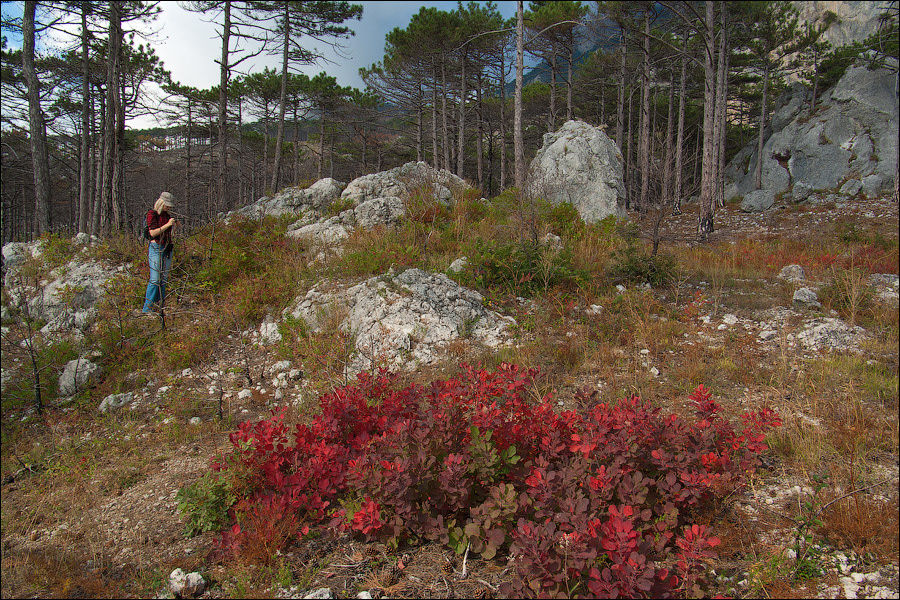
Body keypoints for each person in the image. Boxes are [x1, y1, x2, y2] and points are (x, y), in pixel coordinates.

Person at [142, 191, 177, 313]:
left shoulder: (167, 215)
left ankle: (159, 306)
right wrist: (168, 225)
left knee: (163, 279)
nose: (169, 208)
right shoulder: (152, 214)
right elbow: (152, 233)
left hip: (167, 247)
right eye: (167, 205)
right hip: (156, 247)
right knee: (155, 279)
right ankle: (147, 309)